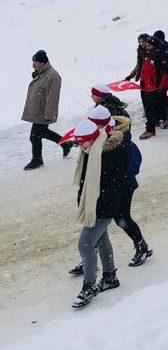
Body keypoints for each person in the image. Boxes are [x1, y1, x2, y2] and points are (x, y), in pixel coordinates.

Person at [69, 117, 127, 308]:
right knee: (101, 239)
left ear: (92, 138)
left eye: (81, 140)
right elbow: (87, 181)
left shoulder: (107, 153)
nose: (78, 144)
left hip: (103, 207)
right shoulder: (90, 151)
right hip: (97, 206)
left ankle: (89, 286)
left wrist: (98, 206)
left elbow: (113, 185)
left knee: (85, 245)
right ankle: (110, 276)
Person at [22, 50, 73, 170]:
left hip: (43, 112)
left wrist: (49, 114)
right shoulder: (41, 73)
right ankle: (65, 144)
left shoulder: (53, 76)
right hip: (38, 111)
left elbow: (53, 97)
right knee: (42, 133)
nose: (33, 65)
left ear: (42, 63)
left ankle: (37, 160)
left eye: (35, 62)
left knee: (34, 136)